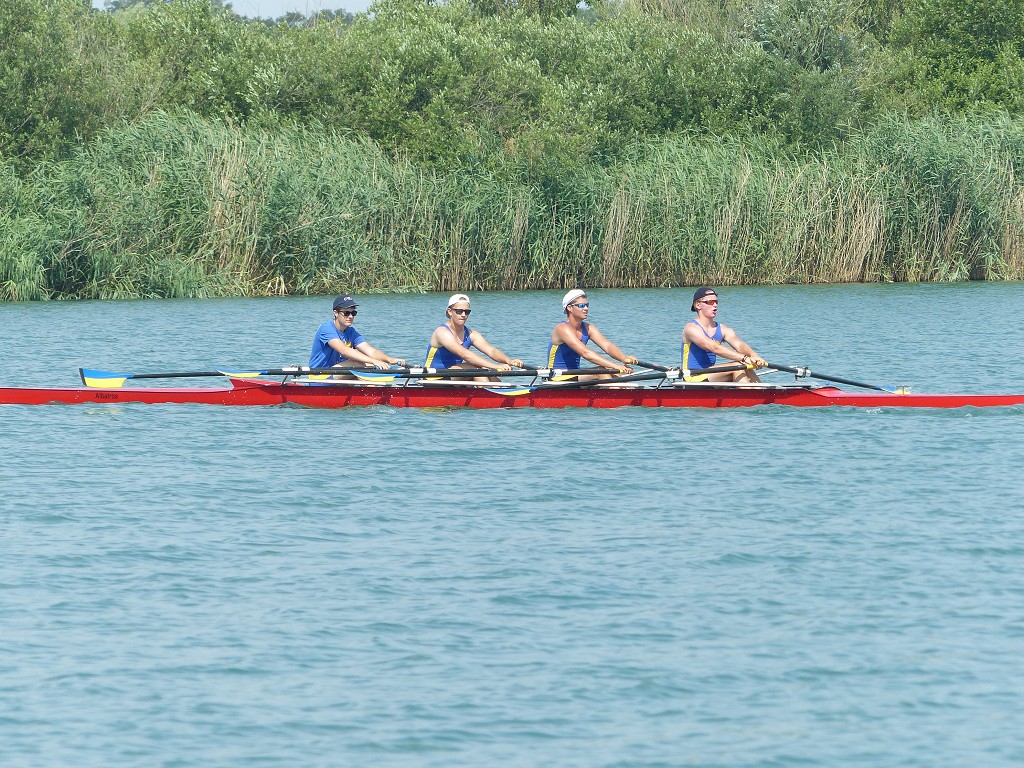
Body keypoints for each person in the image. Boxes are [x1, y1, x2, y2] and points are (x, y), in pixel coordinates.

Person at [424, 294, 525, 380]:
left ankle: (501, 392)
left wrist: (509, 361)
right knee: (479, 370)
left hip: (454, 375)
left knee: (488, 372)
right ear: (450, 311)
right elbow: (465, 355)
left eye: (467, 312)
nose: (463, 315)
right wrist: (495, 366)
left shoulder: (471, 334)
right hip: (433, 377)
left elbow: (491, 350)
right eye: (459, 311)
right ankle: (490, 395)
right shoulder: (442, 332)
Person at [547, 289, 636, 380]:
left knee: (616, 373)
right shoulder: (562, 328)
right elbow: (585, 352)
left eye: (587, 305)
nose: (586, 308)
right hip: (556, 377)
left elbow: (607, 345)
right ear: (569, 308)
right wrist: (615, 366)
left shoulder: (588, 328)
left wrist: (623, 358)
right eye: (581, 306)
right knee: (602, 372)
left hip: (575, 374)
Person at [682, 287, 764, 382]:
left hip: (711, 375)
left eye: (716, 302)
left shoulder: (723, 329)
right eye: (710, 302)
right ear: (698, 305)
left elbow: (739, 345)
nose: (715, 305)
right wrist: (744, 358)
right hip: (692, 377)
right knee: (738, 366)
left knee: (745, 366)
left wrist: (754, 356)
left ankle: (760, 390)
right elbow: (714, 347)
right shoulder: (691, 328)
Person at [309, 295, 407, 372]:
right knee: (357, 363)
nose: (351, 316)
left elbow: (371, 351)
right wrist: (373, 361)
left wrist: (389, 360)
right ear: (336, 313)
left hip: (337, 374)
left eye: (353, 313)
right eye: (346, 313)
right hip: (319, 375)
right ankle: (370, 391)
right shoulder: (326, 328)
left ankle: (374, 389)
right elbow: (343, 350)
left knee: (371, 365)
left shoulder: (351, 332)